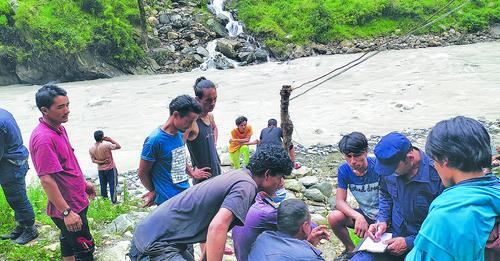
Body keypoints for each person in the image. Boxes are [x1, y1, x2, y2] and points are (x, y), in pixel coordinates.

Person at [128, 145, 293, 261]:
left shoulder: (241, 177)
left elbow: (213, 230)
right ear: (267, 174)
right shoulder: (246, 186)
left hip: (159, 238)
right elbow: (217, 228)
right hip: (155, 244)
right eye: (280, 177)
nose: (281, 183)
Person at [406, 116, 500, 261]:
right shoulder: (494, 190)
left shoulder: (445, 215)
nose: (434, 166)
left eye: (434, 161)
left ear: (444, 160)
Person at [351, 132, 444, 261]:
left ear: (410, 158)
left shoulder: (439, 174)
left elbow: (443, 225)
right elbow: (385, 193)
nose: (390, 173)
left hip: (424, 240)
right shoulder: (388, 166)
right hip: (393, 233)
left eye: (393, 169)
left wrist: (409, 242)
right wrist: (382, 220)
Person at [29, 85, 96, 261]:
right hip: (68, 205)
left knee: (68, 238)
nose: (67, 111)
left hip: (75, 198)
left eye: (67, 105)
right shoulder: (44, 139)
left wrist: (83, 183)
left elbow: (68, 163)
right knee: (85, 249)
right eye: (60, 107)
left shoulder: (58, 128)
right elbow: (46, 179)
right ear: (44, 110)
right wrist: (67, 212)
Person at [138, 95, 204, 206]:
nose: (190, 126)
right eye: (188, 121)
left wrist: (191, 172)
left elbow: (178, 156)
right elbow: (142, 173)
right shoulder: (154, 140)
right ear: (176, 115)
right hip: (168, 201)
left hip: (185, 193)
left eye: (193, 122)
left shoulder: (180, 133)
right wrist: (154, 191)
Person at [327, 132, 379, 259]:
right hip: (366, 214)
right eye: (348, 156)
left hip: (385, 216)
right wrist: (358, 216)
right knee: (334, 217)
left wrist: (382, 220)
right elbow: (339, 201)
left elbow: (392, 198)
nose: (353, 161)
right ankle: (351, 250)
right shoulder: (344, 170)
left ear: (366, 152)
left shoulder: (378, 166)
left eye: (357, 155)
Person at [0, 108, 39, 245]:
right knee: (16, 196)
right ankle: (22, 225)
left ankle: (30, 229)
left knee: (17, 198)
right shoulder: (3, 112)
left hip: (11, 164)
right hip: (17, 158)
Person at [248, 198, 330, 261]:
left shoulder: (262, 238)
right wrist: (310, 250)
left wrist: (309, 244)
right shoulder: (310, 257)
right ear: (305, 227)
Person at [184, 77, 221, 184]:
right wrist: (191, 172)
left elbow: (214, 128)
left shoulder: (210, 116)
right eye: (208, 100)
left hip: (216, 172)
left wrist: (213, 142)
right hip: (203, 181)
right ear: (198, 99)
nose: (213, 103)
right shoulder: (192, 123)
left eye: (215, 99)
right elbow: (177, 149)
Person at [89, 131, 121, 203]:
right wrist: (110, 140)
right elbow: (118, 146)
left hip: (100, 170)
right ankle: (114, 201)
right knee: (113, 185)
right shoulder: (107, 145)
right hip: (110, 168)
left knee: (103, 186)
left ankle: (105, 202)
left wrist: (102, 162)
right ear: (102, 137)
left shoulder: (91, 148)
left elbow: (93, 160)